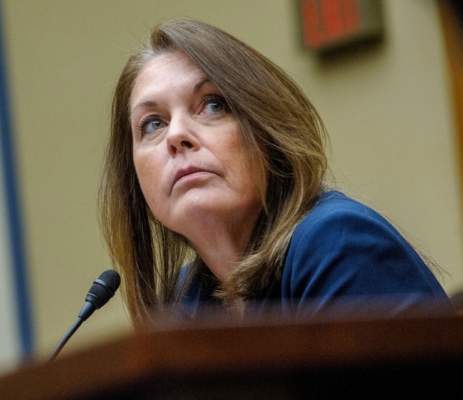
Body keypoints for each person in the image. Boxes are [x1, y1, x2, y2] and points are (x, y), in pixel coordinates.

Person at [100, 19, 451, 327]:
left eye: (213, 104)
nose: (176, 135)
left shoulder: (337, 243)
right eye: (153, 124)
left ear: (268, 132)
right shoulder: (184, 302)